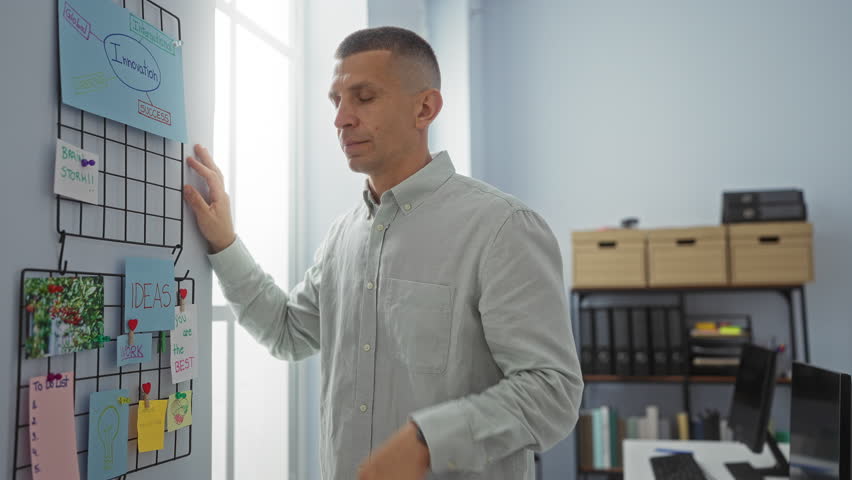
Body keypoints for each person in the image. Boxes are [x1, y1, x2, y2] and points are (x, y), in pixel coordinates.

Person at [183, 26, 583, 480]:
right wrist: (224, 242)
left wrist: (427, 441)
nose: (341, 119)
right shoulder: (342, 236)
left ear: (424, 108)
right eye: (336, 101)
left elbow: (553, 392)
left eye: (364, 97)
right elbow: (287, 333)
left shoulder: (502, 229)